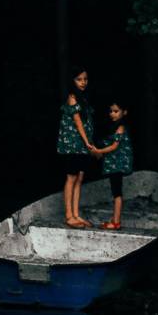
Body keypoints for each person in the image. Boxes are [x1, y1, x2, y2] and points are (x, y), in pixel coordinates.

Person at [57, 67, 96, 228]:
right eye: (79, 79)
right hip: (72, 145)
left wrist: (88, 142)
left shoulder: (83, 98)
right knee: (71, 178)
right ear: (73, 81)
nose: (83, 82)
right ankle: (69, 216)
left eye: (85, 79)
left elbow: (87, 123)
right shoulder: (72, 97)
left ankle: (76, 214)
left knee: (80, 178)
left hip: (82, 145)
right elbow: (78, 122)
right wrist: (87, 142)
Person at [92, 102, 133, 230]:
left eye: (116, 111)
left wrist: (98, 151)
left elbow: (114, 146)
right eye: (111, 111)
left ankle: (116, 222)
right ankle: (115, 219)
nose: (112, 114)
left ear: (124, 112)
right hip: (114, 164)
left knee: (117, 192)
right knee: (115, 191)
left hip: (118, 164)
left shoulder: (121, 127)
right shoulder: (114, 127)